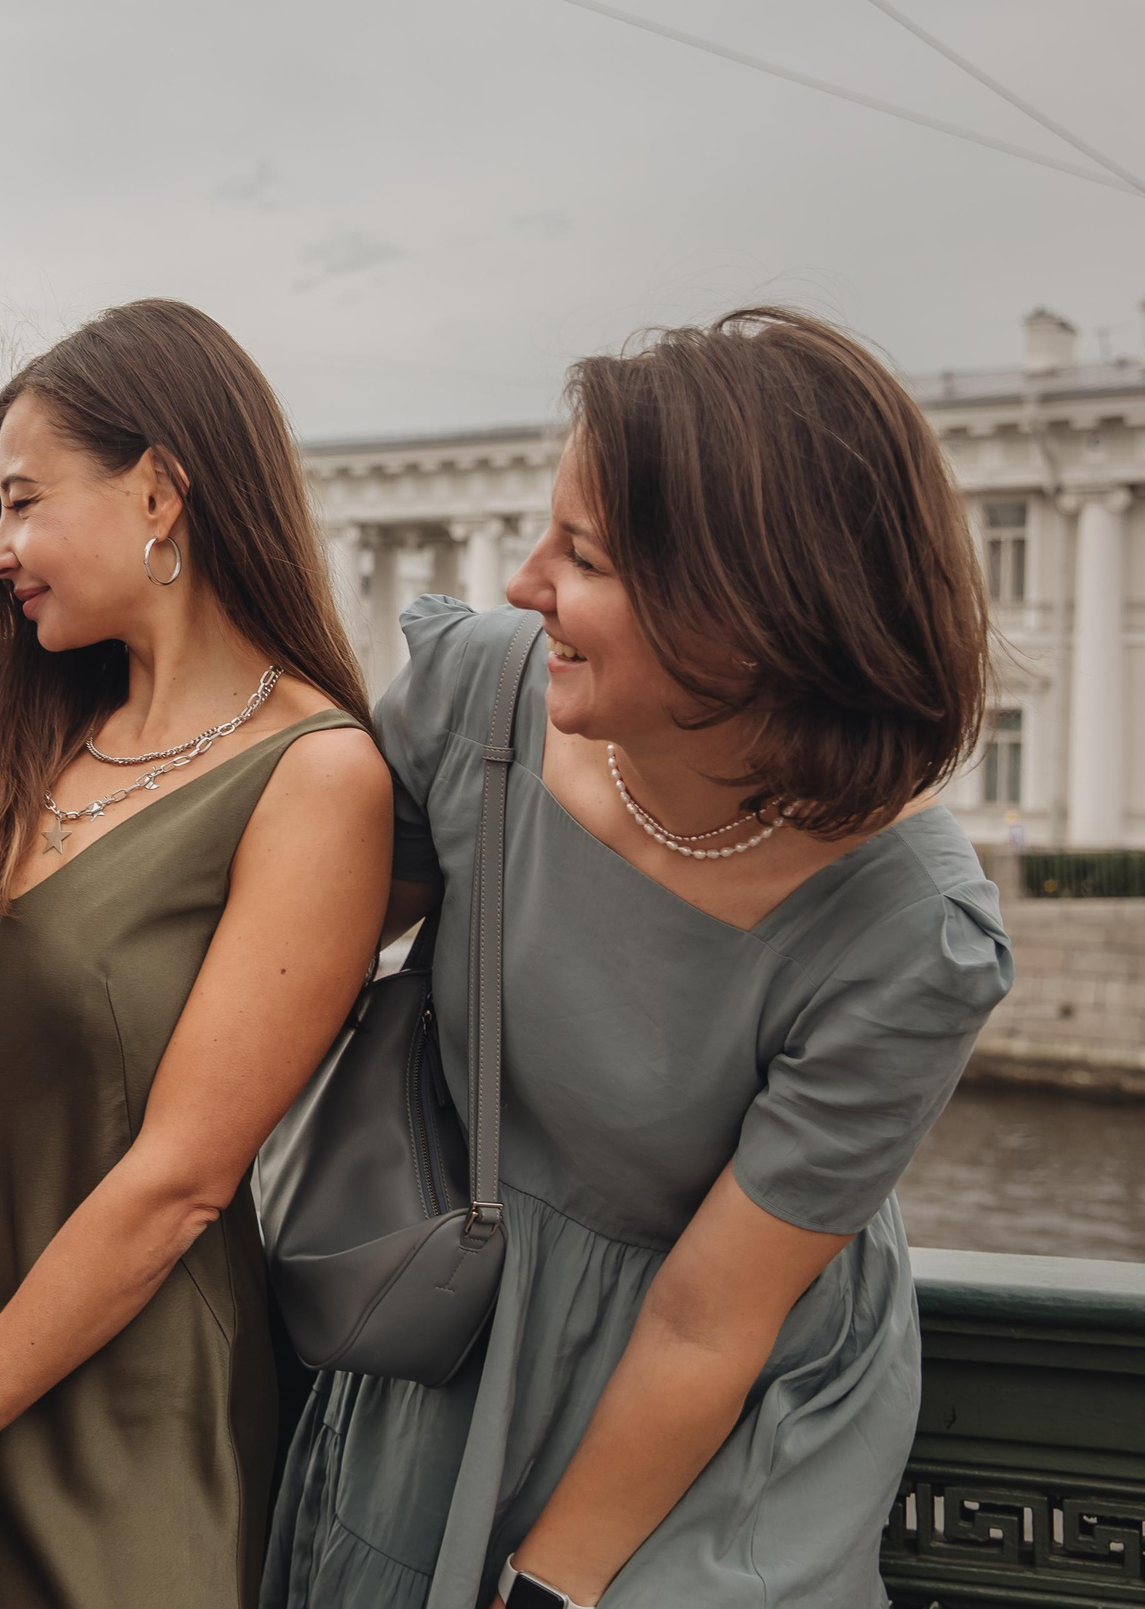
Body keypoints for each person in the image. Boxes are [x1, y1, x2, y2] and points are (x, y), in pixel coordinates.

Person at [263, 308, 1010, 1609]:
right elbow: (281, 961)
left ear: (750, 618)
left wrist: (549, 1585)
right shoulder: (479, 699)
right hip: (457, 1314)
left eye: (584, 554)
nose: (522, 582)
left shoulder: (908, 934)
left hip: (725, 1410)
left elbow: (710, 1319)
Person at [0, 299, 393, 1609]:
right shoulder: (21, 742)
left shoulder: (316, 775)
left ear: (160, 492)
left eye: (22, 502)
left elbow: (179, 1181)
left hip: (113, 1439)